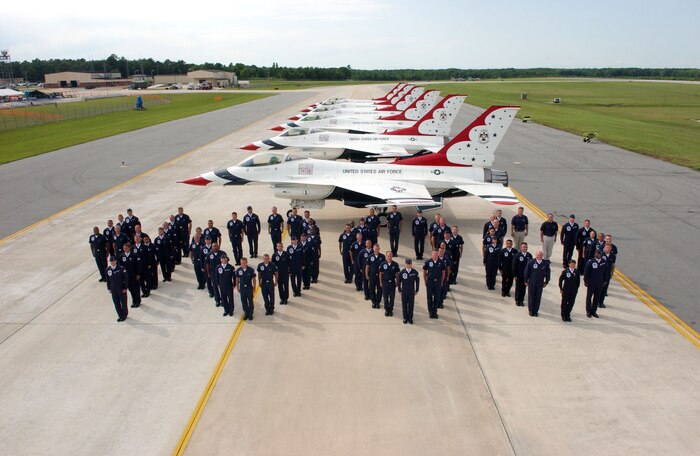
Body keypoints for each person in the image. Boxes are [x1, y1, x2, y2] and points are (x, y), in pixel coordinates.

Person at [524, 250, 550, 317]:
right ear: (536, 255)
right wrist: (526, 280)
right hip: (532, 283)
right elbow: (526, 272)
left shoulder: (545, 264)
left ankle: (536, 311)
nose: (539, 256)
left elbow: (548, 274)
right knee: (531, 297)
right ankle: (530, 310)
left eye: (541, 255)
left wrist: (546, 282)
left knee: (538, 297)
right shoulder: (531, 262)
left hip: (540, 283)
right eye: (538, 255)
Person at [584, 249, 608, 318]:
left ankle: (594, 311)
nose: (599, 255)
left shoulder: (604, 262)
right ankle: (588, 311)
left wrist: (605, 281)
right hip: (591, 283)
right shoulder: (590, 262)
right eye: (597, 253)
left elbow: (606, 272)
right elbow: (586, 273)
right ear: (595, 254)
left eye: (600, 254)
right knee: (589, 297)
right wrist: (586, 281)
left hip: (599, 283)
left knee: (596, 297)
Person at [118, 242, 142, 309]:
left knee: (136, 288)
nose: (125, 249)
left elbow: (138, 265)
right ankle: (133, 300)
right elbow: (121, 267)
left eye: (126, 248)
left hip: (134, 275)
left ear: (129, 248)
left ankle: (138, 301)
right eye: (124, 248)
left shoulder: (134, 255)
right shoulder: (121, 256)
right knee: (131, 289)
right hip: (127, 276)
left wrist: (138, 274)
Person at [423, 250, 445, 319]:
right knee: (429, 298)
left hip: (437, 282)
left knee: (436, 298)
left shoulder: (441, 262)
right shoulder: (428, 262)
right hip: (430, 282)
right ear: (432, 254)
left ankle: (435, 312)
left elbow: (443, 273)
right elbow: (424, 271)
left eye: (436, 253)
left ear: (438, 254)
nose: (435, 255)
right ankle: (430, 312)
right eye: (434, 253)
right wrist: (425, 281)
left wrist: (441, 281)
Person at [106, 256, 129, 322]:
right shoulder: (108, 269)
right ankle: (120, 315)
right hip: (113, 289)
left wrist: (125, 287)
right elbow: (108, 280)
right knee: (116, 303)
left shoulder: (121, 268)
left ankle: (124, 314)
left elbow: (125, 278)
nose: (112, 262)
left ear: (116, 261)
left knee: (123, 302)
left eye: (114, 261)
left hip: (121, 288)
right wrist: (109, 288)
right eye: (111, 261)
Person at [398, 258, 419, 324]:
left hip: (411, 291)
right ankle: (405, 318)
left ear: (411, 264)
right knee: (404, 305)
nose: (408, 265)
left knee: (411, 305)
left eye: (409, 264)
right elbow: (399, 282)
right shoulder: (402, 272)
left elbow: (417, 281)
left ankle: (410, 318)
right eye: (407, 264)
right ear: (405, 264)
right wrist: (399, 290)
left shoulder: (415, 272)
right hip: (404, 291)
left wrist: (416, 290)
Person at [379, 251, 400, 317]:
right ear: (386, 256)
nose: (389, 257)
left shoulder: (395, 264)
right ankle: (386, 310)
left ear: (392, 256)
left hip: (392, 283)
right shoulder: (382, 264)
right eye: (388, 256)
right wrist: (380, 282)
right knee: (385, 297)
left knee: (392, 297)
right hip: (385, 283)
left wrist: (397, 282)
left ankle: (390, 310)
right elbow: (380, 274)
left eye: (390, 256)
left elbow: (397, 274)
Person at [206, 243, 227, 307]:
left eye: (216, 246)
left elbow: (226, 263)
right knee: (215, 287)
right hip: (213, 273)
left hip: (221, 274)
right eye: (213, 246)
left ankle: (223, 301)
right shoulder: (209, 254)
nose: (215, 247)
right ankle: (217, 300)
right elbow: (207, 264)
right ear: (211, 247)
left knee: (222, 288)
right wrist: (208, 273)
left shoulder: (222, 253)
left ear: (218, 246)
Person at [512, 242, 533, 307]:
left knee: (523, 288)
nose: (525, 248)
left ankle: (521, 300)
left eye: (526, 247)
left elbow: (531, 267)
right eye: (524, 247)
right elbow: (514, 265)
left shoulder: (529, 256)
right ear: (521, 247)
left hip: (526, 276)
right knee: (518, 288)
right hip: (518, 275)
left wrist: (530, 276)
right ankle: (517, 300)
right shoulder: (517, 255)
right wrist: (515, 275)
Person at [365, 244, 386, 309]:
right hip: (372, 276)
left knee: (380, 290)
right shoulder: (370, 256)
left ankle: (378, 303)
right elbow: (367, 266)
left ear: (379, 249)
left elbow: (384, 267)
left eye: (378, 249)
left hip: (379, 277)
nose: (376, 250)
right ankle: (373, 302)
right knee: (372, 289)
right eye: (375, 249)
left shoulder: (382, 257)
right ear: (373, 249)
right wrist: (366, 275)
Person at [437, 243, 452, 308]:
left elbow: (448, 268)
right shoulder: (435, 259)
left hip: (444, 278)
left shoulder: (446, 259)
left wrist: (448, 276)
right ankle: (436, 304)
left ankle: (441, 303)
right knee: (437, 292)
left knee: (443, 291)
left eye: (442, 251)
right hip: (437, 278)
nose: (440, 252)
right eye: (439, 251)